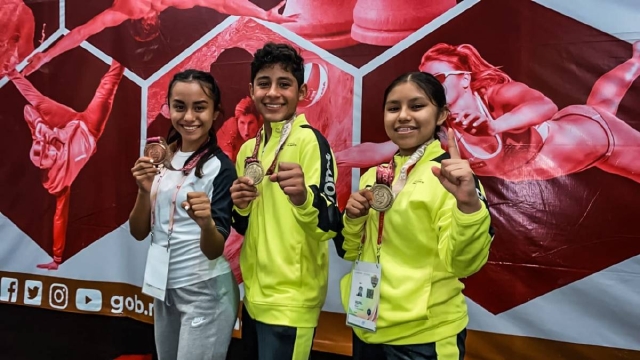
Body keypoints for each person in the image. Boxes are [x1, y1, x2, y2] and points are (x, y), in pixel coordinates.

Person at [335, 72, 493, 360]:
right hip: (366, 326)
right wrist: (354, 218)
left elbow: (463, 264)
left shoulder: (449, 178)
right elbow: (350, 251)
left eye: (417, 106)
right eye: (394, 108)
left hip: (425, 338)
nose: (403, 116)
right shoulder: (374, 176)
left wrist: (468, 206)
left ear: (442, 114)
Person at [336, 41, 640, 184]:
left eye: (438, 80)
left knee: (599, 110)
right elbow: (382, 149)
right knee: (601, 104)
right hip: (577, 150)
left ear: (464, 79)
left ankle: (635, 60)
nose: (429, 88)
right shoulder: (440, 125)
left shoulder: (495, 96)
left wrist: (493, 126)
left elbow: (545, 107)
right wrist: (333, 157)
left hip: (597, 137)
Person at [230, 42, 341, 360]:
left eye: (284, 84)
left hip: (292, 301)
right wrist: (240, 204)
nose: (273, 93)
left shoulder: (311, 142)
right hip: (253, 297)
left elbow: (328, 225)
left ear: (302, 91)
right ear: (252, 90)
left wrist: (304, 197)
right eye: (264, 83)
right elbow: (243, 224)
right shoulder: (248, 150)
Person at [128, 69, 239, 360]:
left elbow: (215, 250)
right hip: (163, 288)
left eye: (200, 107)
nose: (189, 117)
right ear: (168, 108)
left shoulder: (221, 168)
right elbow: (139, 232)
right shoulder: (162, 159)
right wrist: (143, 190)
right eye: (180, 106)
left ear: (216, 113)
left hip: (205, 292)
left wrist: (205, 225)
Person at [7, 60, 125, 270]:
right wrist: (57, 258)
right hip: (88, 129)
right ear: (50, 164)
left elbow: (30, 106)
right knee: (107, 85)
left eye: (40, 145)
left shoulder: (42, 137)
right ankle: (123, 56)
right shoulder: (59, 182)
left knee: (39, 102)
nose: (44, 145)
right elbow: (59, 217)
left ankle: (11, 72)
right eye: (47, 150)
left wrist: (13, 74)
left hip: (67, 122)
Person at [22, 0, 298, 76]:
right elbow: (224, 4)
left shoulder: (127, 8)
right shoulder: (172, 3)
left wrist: (46, 55)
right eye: (152, 27)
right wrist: (265, 15)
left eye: (145, 27)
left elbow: (83, 32)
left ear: (137, 22)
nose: (149, 21)